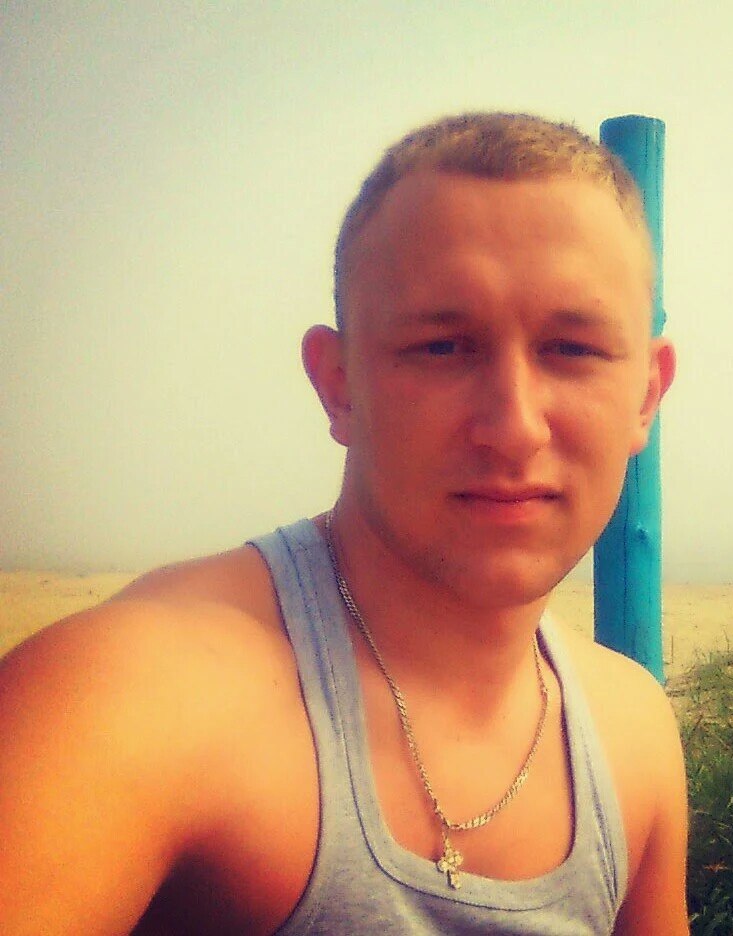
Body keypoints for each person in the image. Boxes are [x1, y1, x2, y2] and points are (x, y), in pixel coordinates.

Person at [0, 112, 685, 934]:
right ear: (338, 384)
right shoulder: (129, 696)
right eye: (443, 347)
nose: (514, 427)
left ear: (646, 396)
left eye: (571, 350)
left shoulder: (633, 734)